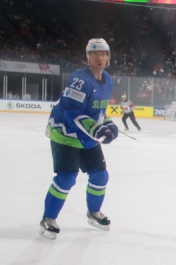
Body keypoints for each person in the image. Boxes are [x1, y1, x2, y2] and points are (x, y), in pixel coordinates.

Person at [39, 38, 119, 240]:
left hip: (87, 136)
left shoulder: (108, 80)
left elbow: (97, 110)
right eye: (95, 53)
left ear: (108, 56)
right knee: (66, 178)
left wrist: (107, 123)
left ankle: (93, 213)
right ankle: (48, 219)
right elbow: (71, 113)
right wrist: (97, 129)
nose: (99, 57)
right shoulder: (79, 80)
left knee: (100, 176)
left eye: (103, 53)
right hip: (65, 134)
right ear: (88, 57)